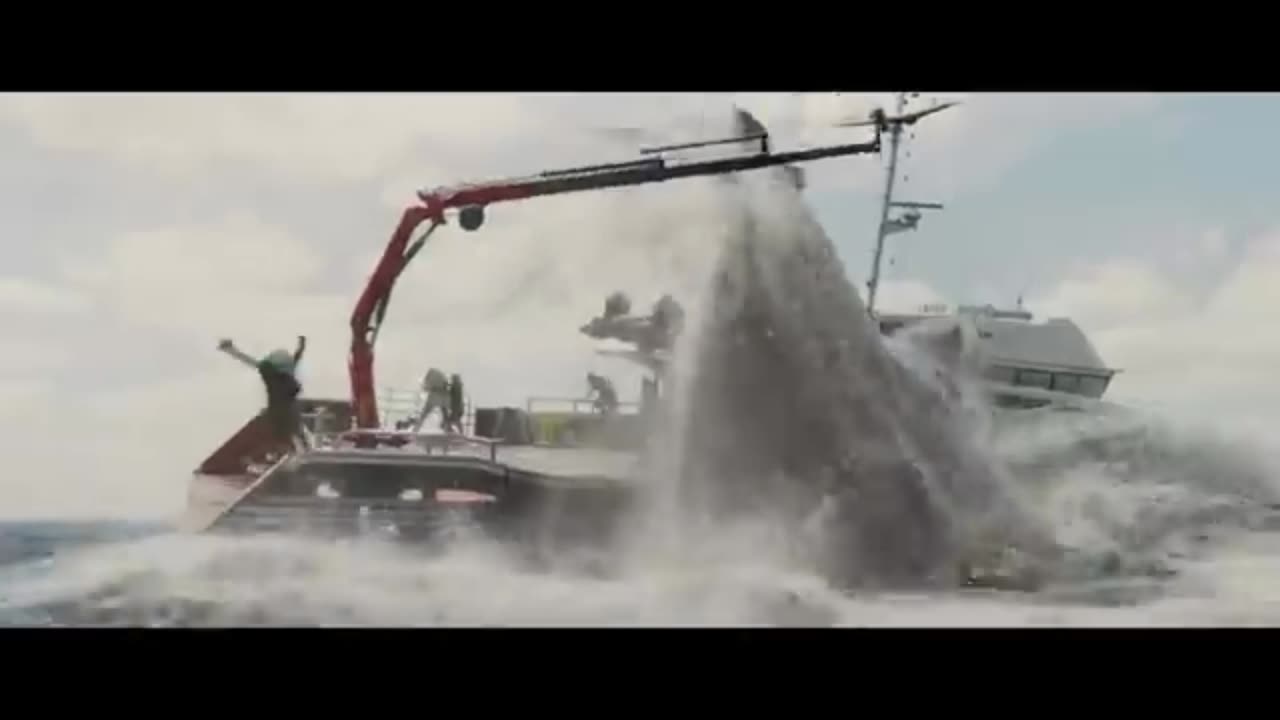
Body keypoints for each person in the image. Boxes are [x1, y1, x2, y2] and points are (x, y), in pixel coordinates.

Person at [218, 335, 310, 454]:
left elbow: (297, 356)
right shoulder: (271, 372)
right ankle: (287, 450)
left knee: (294, 431)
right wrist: (231, 350)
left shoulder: (283, 370)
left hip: (286, 408)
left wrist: (302, 345)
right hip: (280, 409)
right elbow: (249, 361)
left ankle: (294, 448)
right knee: (288, 432)